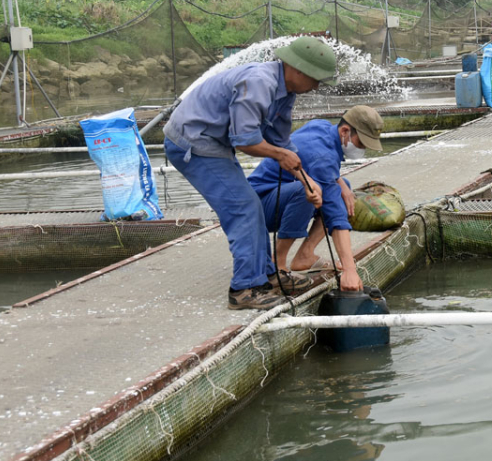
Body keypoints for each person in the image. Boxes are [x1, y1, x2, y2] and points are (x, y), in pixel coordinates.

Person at [163, 36, 337, 310]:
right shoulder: (260, 83)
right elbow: (244, 141)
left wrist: (307, 181)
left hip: (214, 143)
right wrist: (280, 155)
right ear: (299, 69)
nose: (317, 86)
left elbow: (281, 143)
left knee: (250, 205)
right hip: (194, 143)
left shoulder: (285, 92)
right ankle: (244, 289)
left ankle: (268, 277)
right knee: (243, 208)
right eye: (316, 79)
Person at [248, 106, 385, 293]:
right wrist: (349, 270)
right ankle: (277, 266)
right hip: (257, 206)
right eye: (361, 143)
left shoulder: (321, 127)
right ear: (345, 131)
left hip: (274, 198)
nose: (362, 149)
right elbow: (336, 216)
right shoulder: (322, 157)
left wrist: (340, 183)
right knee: (308, 190)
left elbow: (316, 164)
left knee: (340, 186)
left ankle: (304, 256)